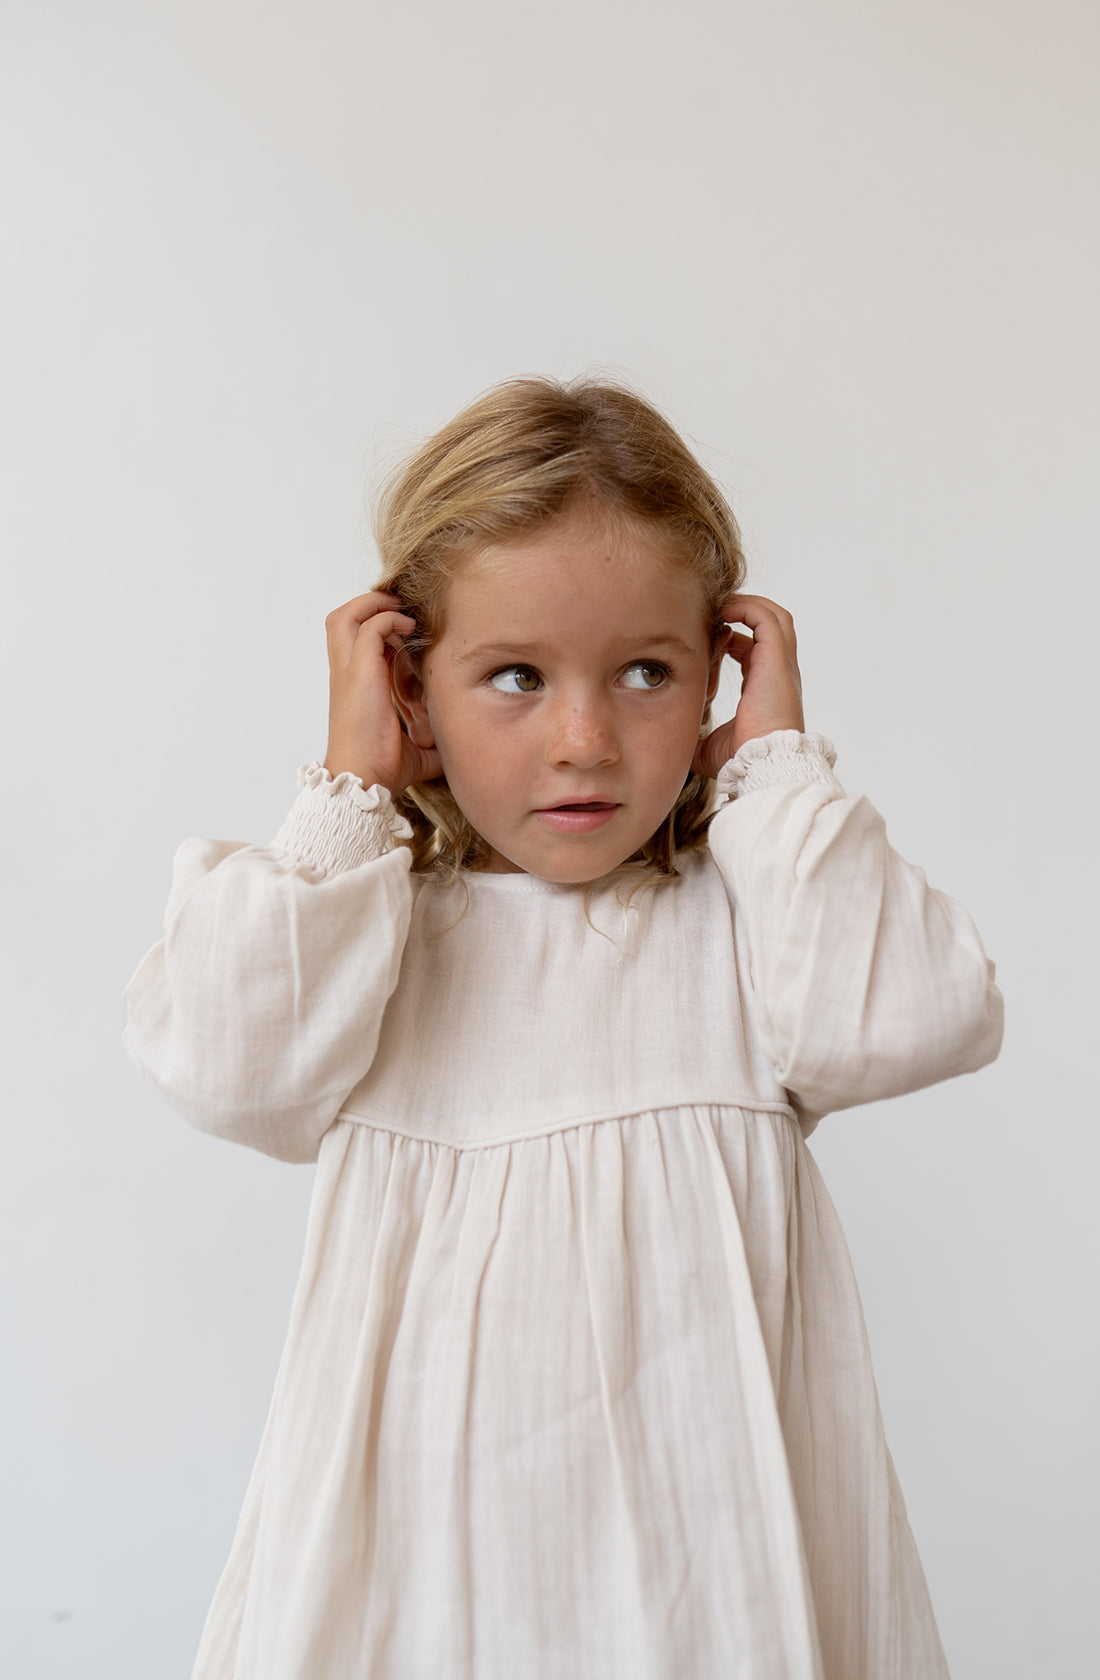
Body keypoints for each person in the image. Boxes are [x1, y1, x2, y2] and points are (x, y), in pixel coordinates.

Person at [123, 375, 1003, 1680]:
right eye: (516, 677)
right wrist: (350, 788)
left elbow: (911, 1020)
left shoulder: (750, 922)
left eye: (648, 673)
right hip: (420, 1584)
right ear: (412, 684)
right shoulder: (367, 930)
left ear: (722, 673)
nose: (585, 739)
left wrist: (773, 768)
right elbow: (230, 1072)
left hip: (715, 1579)